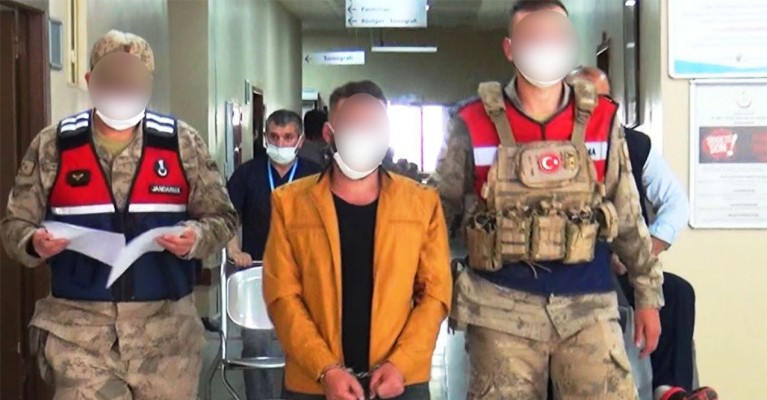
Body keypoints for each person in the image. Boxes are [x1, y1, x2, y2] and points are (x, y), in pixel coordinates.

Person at [432, 2, 664, 399]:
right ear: (510, 48)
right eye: (533, 37)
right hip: (499, 310)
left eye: (555, 36)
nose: (545, 45)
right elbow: (438, 214)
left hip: (588, 308)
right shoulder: (471, 122)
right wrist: (427, 298)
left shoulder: (602, 120)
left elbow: (627, 214)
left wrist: (647, 295)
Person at [0, 30, 237, 399]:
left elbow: (223, 218)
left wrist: (195, 237)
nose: (123, 89)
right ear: (90, 80)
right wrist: (34, 242)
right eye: (112, 79)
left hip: (165, 336)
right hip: (79, 334)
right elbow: (14, 225)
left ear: (149, 83)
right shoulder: (54, 145)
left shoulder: (182, 143)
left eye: (134, 80)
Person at [263, 81, 452, 400]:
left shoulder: (421, 204)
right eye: (353, 126)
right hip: (313, 381)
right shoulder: (290, 203)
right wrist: (325, 368)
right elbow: (282, 295)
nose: (364, 136)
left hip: (399, 382)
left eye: (373, 128)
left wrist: (402, 364)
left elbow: (435, 294)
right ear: (329, 134)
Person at [568, 66, 718, 400]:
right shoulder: (549, 147)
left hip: (622, 266)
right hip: (570, 272)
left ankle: (670, 390)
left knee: (677, 292)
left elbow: (676, 204)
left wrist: (641, 253)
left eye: (602, 99)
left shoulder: (634, 145)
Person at [226, 109, 322, 400]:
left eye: (288, 137)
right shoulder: (247, 174)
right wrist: (234, 249)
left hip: (305, 276)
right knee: (256, 344)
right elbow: (228, 217)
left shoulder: (316, 175)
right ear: (265, 138)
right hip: (258, 272)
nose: (281, 143)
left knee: (304, 343)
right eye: (275, 137)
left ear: (300, 140)